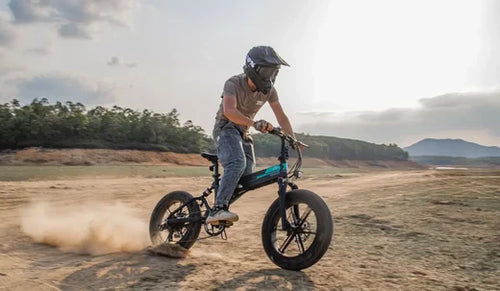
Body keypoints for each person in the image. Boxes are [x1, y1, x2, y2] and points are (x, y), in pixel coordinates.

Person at [207, 46, 298, 225]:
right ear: (253, 68)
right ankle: (218, 209)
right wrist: (254, 123)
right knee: (237, 163)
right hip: (226, 128)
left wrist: (293, 139)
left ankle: (222, 200)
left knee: (246, 176)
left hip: (244, 133)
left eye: (274, 73)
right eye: (267, 72)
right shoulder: (233, 83)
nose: (270, 78)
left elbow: (281, 117)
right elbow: (230, 111)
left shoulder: (269, 91)